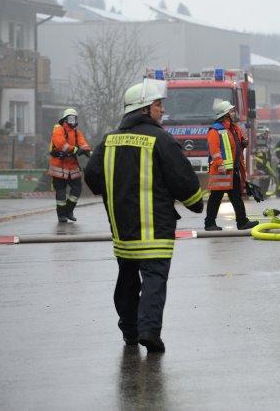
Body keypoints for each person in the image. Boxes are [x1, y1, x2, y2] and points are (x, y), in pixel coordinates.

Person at [84, 79, 204, 352]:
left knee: (126, 278)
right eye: (158, 105)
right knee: (154, 279)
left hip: (122, 229)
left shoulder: (108, 140)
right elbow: (183, 180)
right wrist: (196, 204)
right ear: (143, 109)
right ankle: (149, 331)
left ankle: (129, 331)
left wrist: (113, 192)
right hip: (155, 229)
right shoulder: (161, 140)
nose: (162, 110)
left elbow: (91, 176)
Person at [203, 100, 258, 231]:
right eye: (231, 111)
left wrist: (244, 142)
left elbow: (237, 144)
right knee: (216, 198)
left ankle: (242, 222)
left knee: (236, 196)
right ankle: (209, 223)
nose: (234, 113)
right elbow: (214, 150)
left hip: (232, 170)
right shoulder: (215, 130)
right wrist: (220, 165)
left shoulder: (233, 128)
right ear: (225, 114)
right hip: (220, 171)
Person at [48, 108, 92, 223]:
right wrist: (76, 150)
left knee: (77, 188)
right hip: (59, 165)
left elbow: (83, 143)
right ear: (65, 119)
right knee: (61, 191)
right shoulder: (59, 129)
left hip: (72, 165)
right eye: (70, 118)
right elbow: (61, 145)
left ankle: (69, 210)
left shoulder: (77, 132)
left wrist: (88, 151)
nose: (72, 121)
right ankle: (61, 215)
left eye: (74, 118)